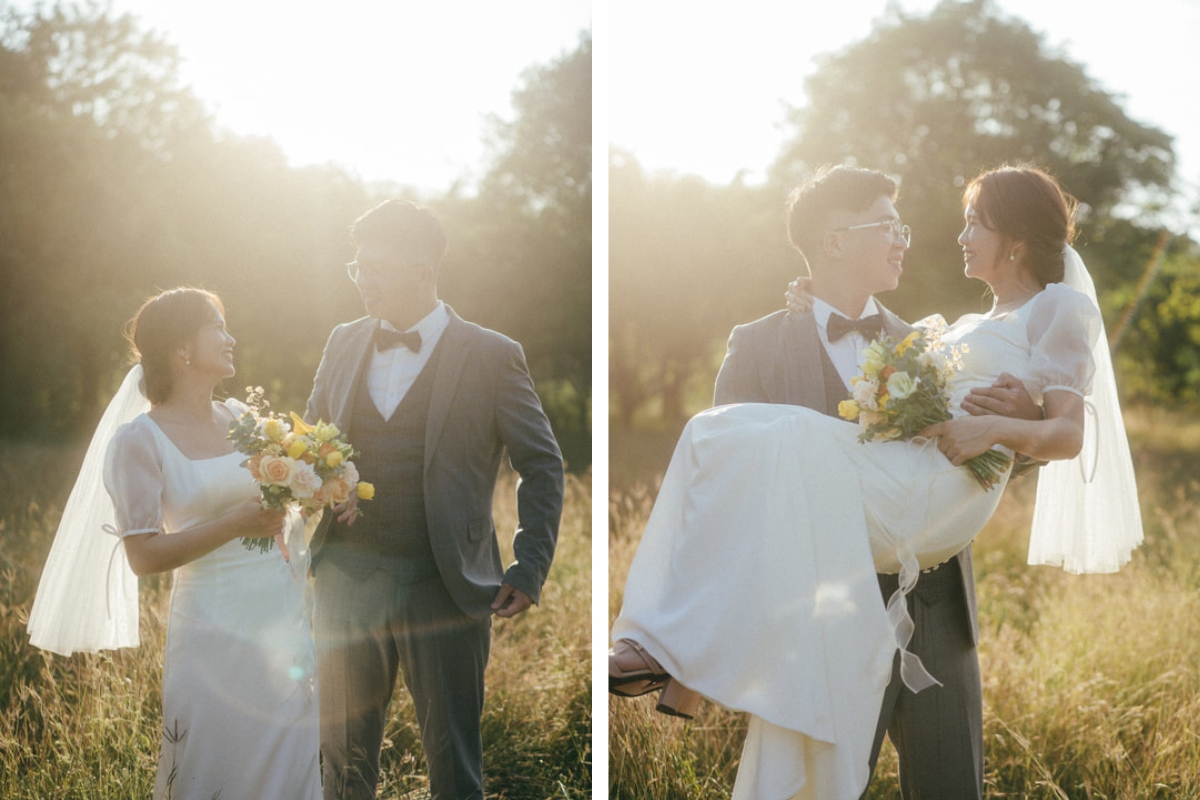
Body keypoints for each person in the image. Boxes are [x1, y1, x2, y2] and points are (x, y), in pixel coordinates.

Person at [609, 165, 1143, 800]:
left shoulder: (921, 338)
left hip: (934, 602)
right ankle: (670, 648)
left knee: (950, 786)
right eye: (888, 226)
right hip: (820, 609)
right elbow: (729, 493)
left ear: (1016, 240)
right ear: (834, 240)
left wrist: (1014, 420)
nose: (909, 240)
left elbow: (995, 438)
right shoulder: (759, 343)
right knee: (721, 436)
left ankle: (674, 655)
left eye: (970, 223)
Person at [305, 199, 565, 800]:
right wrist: (328, 485)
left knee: (453, 763)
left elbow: (542, 464)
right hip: (347, 577)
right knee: (341, 760)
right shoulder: (343, 341)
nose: (362, 280)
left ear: (423, 270)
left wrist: (529, 567)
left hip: (446, 584)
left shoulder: (494, 354)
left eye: (376, 267)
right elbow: (311, 445)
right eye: (356, 267)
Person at [27, 287, 322, 799]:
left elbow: (282, 499)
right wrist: (235, 524)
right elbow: (142, 556)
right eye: (218, 327)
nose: (231, 339)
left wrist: (322, 487)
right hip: (211, 631)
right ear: (182, 348)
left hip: (280, 620)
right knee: (216, 767)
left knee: (292, 765)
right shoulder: (138, 441)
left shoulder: (241, 421)